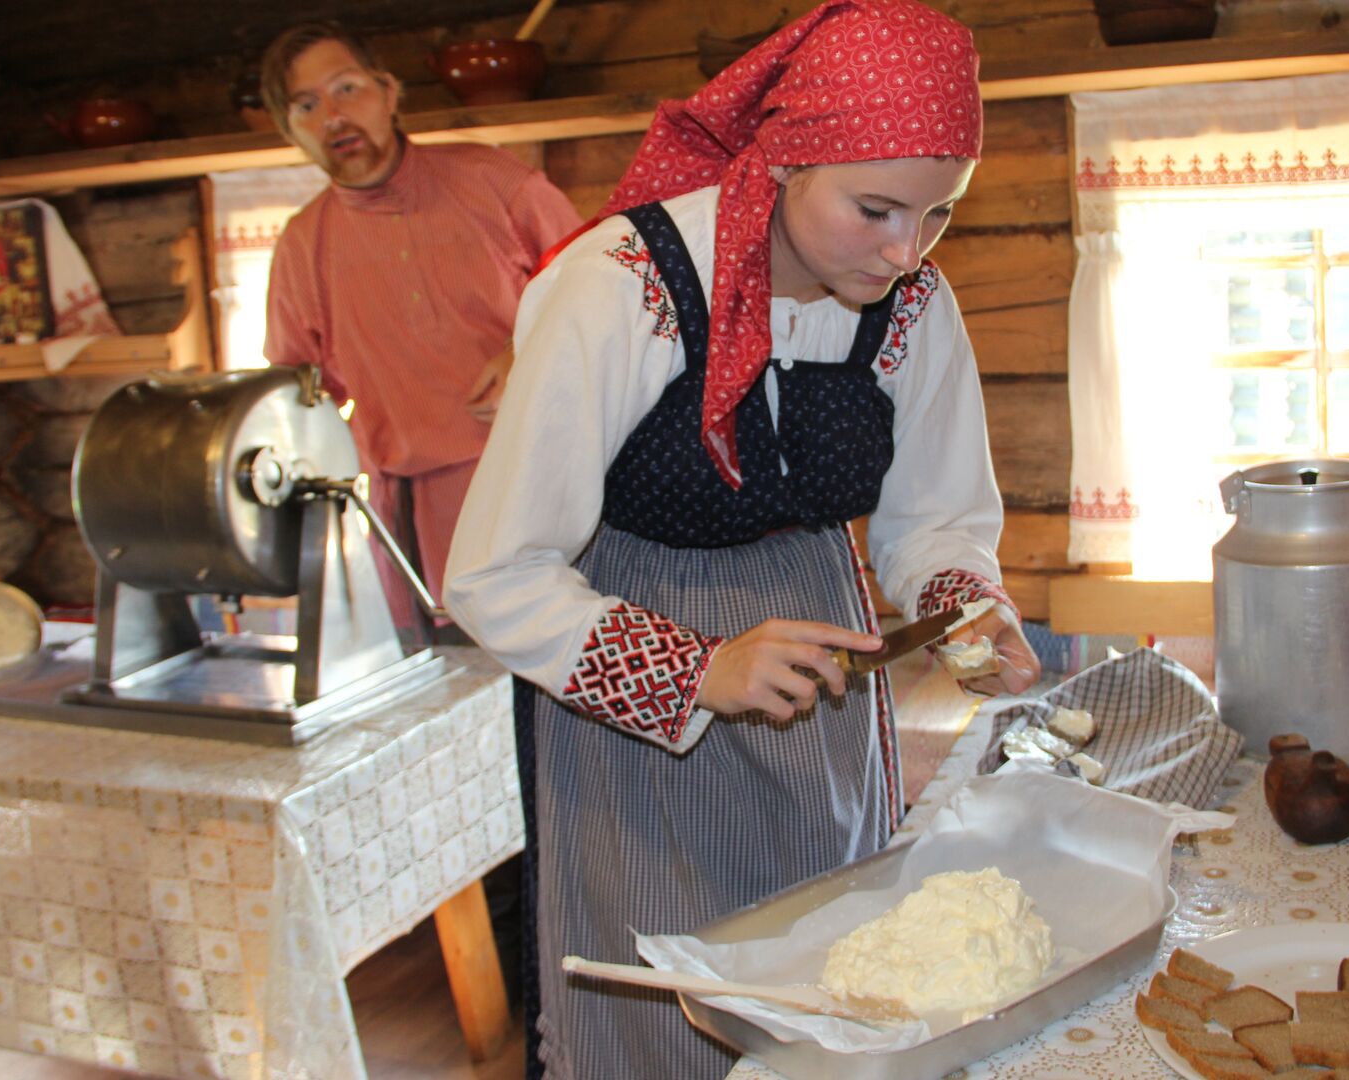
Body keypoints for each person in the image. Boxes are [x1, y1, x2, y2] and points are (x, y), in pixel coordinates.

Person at [442, 1, 1041, 1076]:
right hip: (637, 702)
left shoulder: (909, 308)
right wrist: (702, 669)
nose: (907, 251)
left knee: (829, 966)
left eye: (939, 215)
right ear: (785, 161)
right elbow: (496, 573)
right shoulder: (623, 288)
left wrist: (963, 607)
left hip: (822, 678)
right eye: (876, 209)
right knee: (668, 997)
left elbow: (934, 514)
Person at [260, 21, 582, 636]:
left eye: (347, 88)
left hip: (540, 479)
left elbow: (604, 287)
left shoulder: (497, 182)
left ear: (388, 92)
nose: (333, 116)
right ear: (291, 131)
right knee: (458, 691)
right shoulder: (302, 245)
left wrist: (528, 347)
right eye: (307, 105)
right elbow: (292, 394)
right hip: (408, 517)